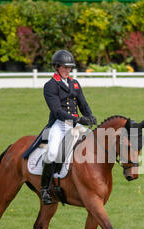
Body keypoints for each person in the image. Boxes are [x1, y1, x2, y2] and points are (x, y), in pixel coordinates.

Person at [40, 50, 97, 205]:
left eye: (69, 67)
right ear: (57, 67)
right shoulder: (50, 86)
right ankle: (45, 189)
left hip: (76, 125)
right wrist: (77, 118)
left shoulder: (75, 83)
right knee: (52, 154)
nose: (67, 70)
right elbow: (57, 111)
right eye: (64, 67)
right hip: (59, 124)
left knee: (94, 143)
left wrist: (90, 117)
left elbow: (83, 104)